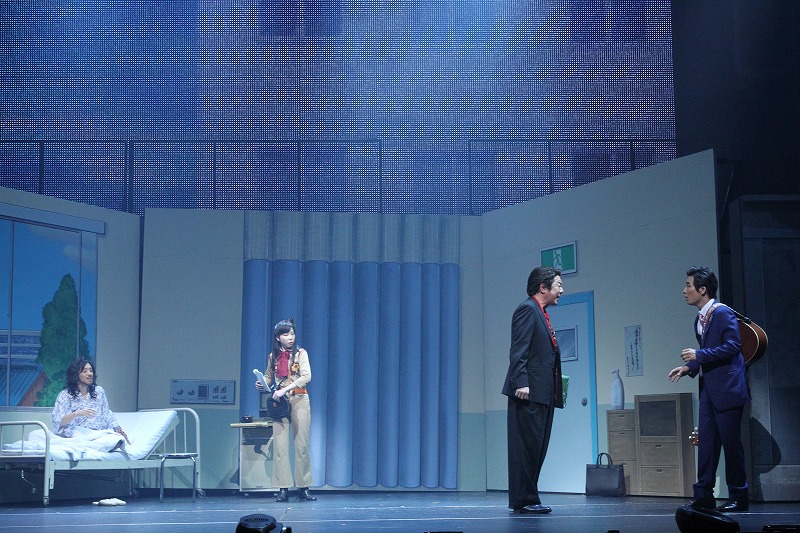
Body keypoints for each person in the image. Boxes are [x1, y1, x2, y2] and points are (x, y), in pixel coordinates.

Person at [668, 266, 750, 512]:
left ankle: (739, 496)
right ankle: (703, 495)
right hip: (709, 391)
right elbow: (707, 353)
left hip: (728, 389)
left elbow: (733, 346)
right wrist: (689, 368)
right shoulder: (700, 319)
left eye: (688, 285)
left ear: (702, 289)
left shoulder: (722, 313)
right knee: (706, 445)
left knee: (731, 446)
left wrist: (699, 355)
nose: (684, 291)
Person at [501, 266, 564, 514]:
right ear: (543, 287)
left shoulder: (541, 313)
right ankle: (525, 499)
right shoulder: (527, 309)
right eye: (558, 285)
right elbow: (519, 349)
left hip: (543, 393)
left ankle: (528, 497)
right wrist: (521, 382)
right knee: (526, 449)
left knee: (537, 448)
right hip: (528, 391)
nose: (561, 291)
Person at [255, 318, 316, 502]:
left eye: (292, 334)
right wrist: (262, 383)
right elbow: (269, 375)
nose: (290, 337)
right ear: (278, 337)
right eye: (286, 334)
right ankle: (283, 488)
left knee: (302, 445)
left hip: (299, 399)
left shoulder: (300, 353)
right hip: (280, 402)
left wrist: (284, 389)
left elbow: (306, 377)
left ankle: (303, 487)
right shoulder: (273, 356)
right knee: (280, 447)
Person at [52, 358, 130, 445]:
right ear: (75, 375)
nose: (89, 374)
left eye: (91, 370)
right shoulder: (65, 395)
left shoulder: (99, 392)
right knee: (39, 435)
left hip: (98, 433)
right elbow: (59, 421)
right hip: (76, 433)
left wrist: (117, 429)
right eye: (84, 371)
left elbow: (107, 413)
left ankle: (97, 444)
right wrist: (77, 413)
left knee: (118, 440)